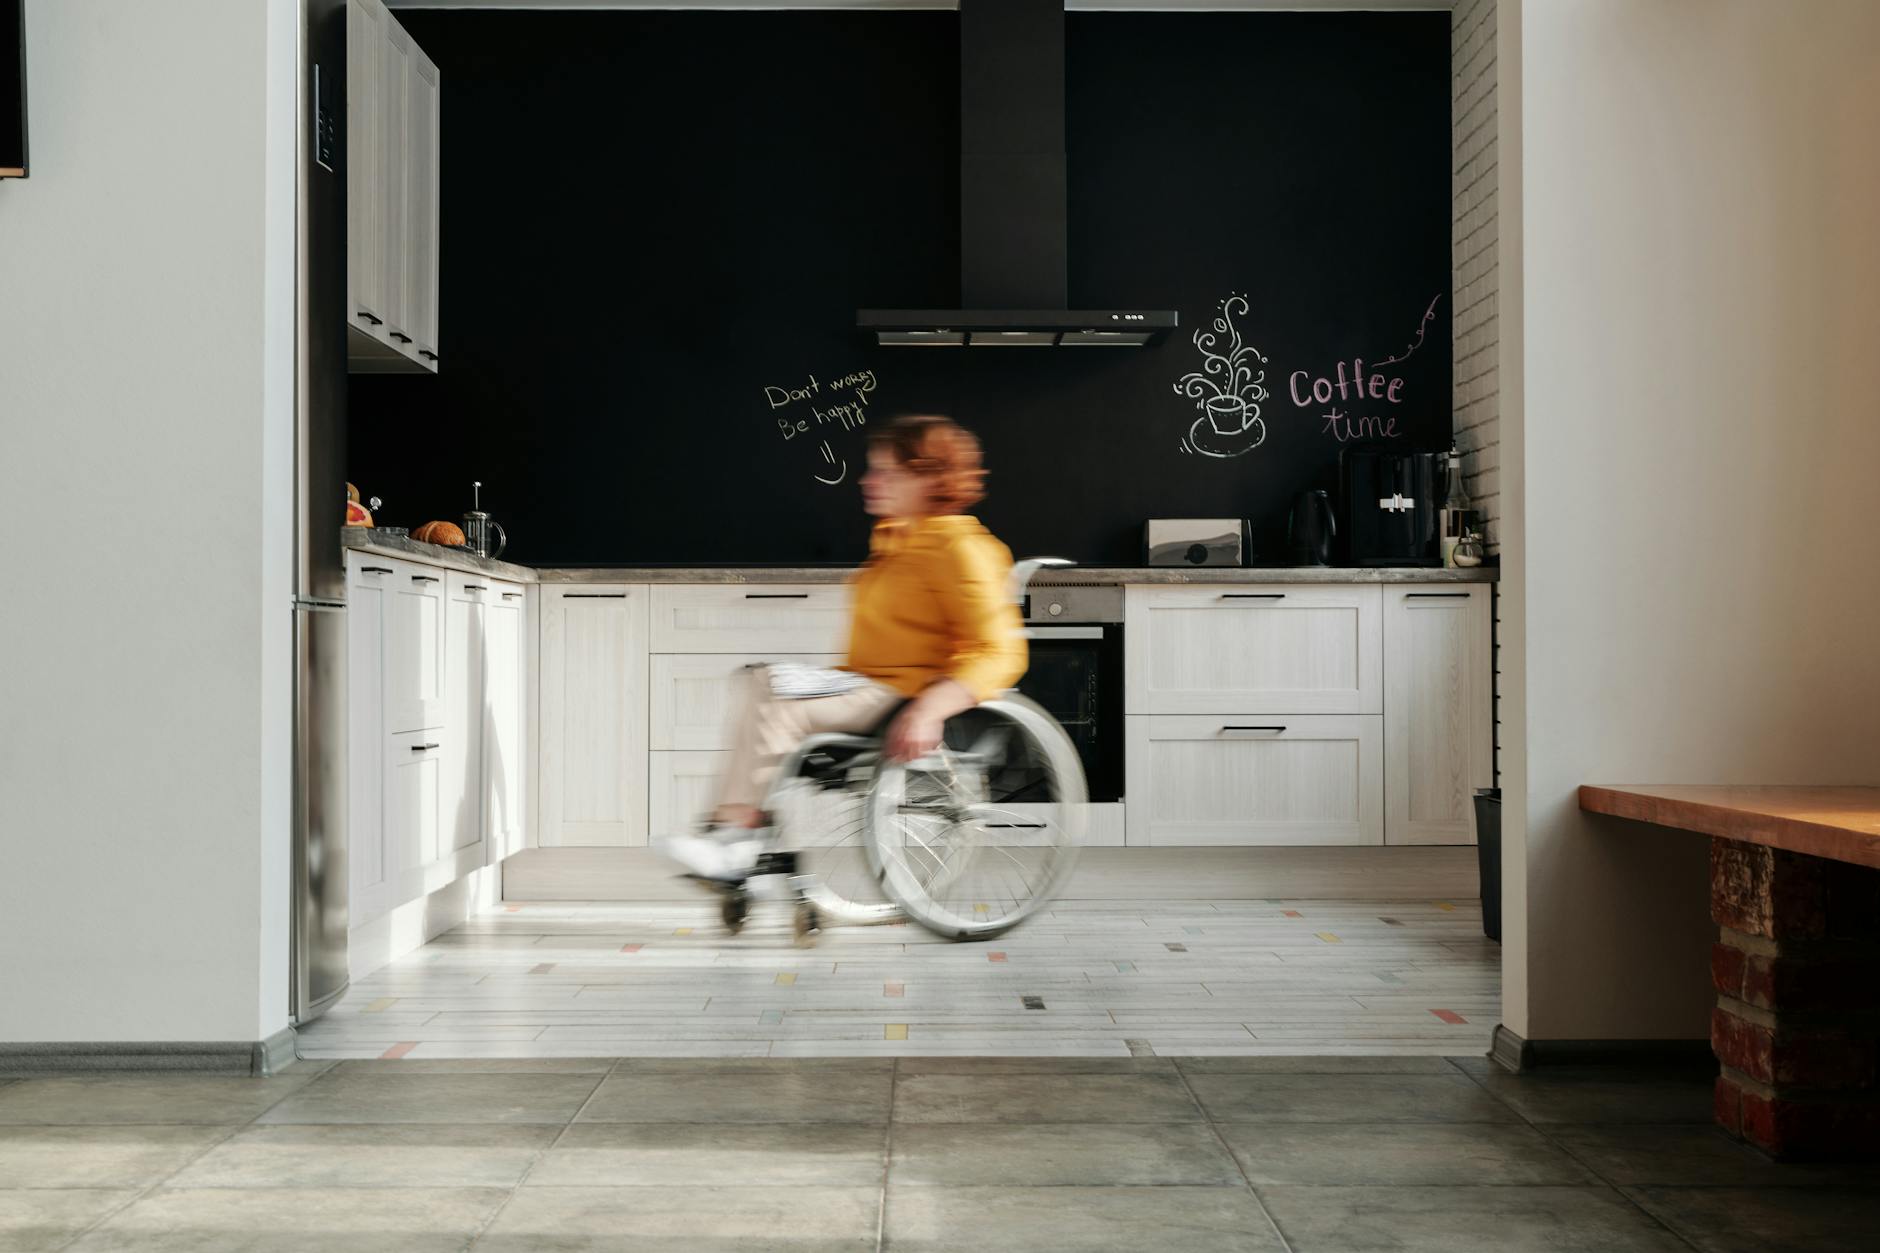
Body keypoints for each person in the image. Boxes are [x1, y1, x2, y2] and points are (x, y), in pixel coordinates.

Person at [657, 414, 1027, 883]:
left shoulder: (961, 548)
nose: (867, 481)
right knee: (758, 680)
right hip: (870, 684)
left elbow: (1001, 652)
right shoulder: (898, 542)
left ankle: (737, 840)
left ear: (929, 478)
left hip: (906, 693)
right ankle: (735, 832)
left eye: (885, 472)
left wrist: (931, 710)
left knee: (779, 706)